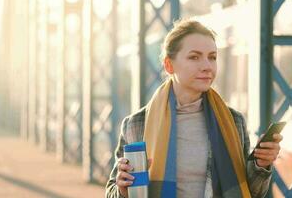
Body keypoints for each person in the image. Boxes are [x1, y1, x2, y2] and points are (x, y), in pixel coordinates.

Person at [105, 19, 282, 198]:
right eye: (194, 57)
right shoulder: (136, 124)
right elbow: (112, 191)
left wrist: (261, 164)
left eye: (212, 57)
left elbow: (252, 193)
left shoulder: (233, 121)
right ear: (169, 65)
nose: (207, 66)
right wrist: (122, 190)